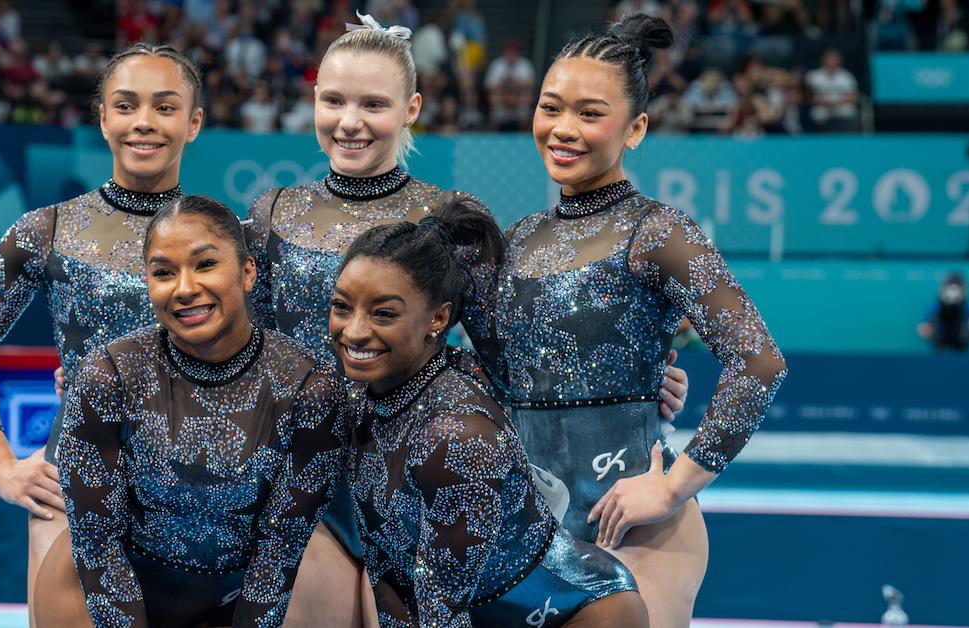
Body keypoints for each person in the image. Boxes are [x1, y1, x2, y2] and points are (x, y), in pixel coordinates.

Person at [244, 14, 691, 623]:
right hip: (305, 483)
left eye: (373, 103)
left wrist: (628, 384)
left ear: (412, 108)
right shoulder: (273, 213)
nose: (350, 121)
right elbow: (252, 356)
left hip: (415, 483)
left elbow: (506, 359)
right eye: (334, 100)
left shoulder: (451, 218)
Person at [467, 14, 787, 626]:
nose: (564, 129)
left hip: (636, 523)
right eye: (551, 107)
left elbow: (759, 362)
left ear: (635, 128)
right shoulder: (518, 240)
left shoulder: (658, 230)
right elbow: (498, 378)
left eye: (590, 113)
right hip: (530, 519)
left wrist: (670, 488)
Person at [0, 43, 202, 626]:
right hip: (77, 476)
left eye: (165, 107)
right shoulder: (49, 229)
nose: (144, 122)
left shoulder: (225, 236)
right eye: (126, 105)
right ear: (103, 118)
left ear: (193, 123)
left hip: (203, 486)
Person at [325, 197, 647, 626]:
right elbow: (393, 575)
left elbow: (442, 608)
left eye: (384, 313)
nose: (355, 330)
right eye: (342, 306)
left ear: (437, 318)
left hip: (572, 613)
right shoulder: (362, 399)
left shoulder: (458, 437)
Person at [60, 195, 350, 627]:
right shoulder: (108, 376)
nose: (184, 288)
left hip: (243, 595)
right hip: (101, 590)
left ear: (248, 271)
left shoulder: (309, 388)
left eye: (205, 264)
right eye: (163, 273)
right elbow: (97, 542)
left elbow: (281, 550)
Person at [917, 272, 969, 351]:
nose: (953, 293)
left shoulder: (968, 305)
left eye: (957, 289)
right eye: (950, 289)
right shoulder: (935, 305)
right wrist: (928, 329)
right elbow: (924, 326)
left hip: (962, 344)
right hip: (939, 344)